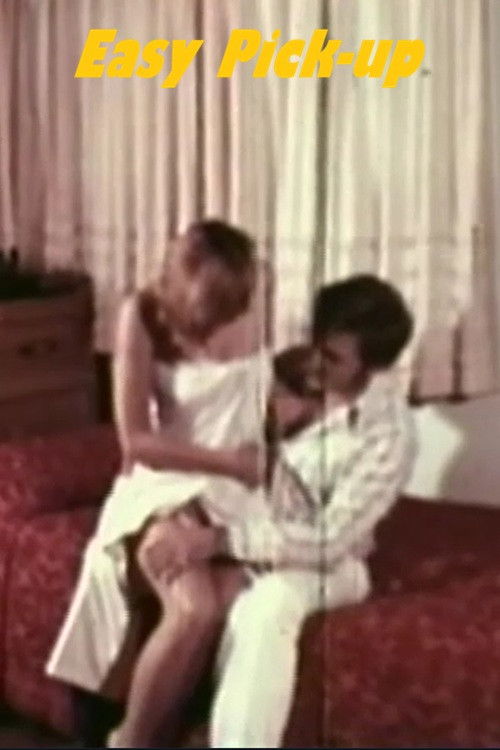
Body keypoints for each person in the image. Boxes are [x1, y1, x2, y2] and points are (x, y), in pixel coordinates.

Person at [127, 274, 417, 748]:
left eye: (333, 358)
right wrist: (189, 519)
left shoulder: (389, 434)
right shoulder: (292, 378)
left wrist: (216, 541)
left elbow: (328, 540)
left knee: (266, 606)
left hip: (327, 562)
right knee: (189, 593)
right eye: (316, 344)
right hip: (245, 529)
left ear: (372, 367)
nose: (316, 362)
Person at [45, 219, 272, 742]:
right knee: (196, 609)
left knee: (233, 602)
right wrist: (231, 463)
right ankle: (128, 740)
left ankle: (164, 734)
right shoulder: (140, 314)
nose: (207, 331)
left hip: (237, 493)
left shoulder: (259, 297)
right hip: (166, 481)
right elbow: (136, 442)